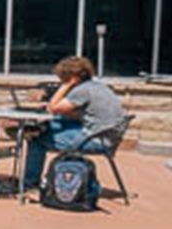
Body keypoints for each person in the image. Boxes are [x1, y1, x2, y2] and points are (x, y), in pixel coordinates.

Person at [21, 55, 125, 193]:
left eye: (62, 78)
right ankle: (37, 131)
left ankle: (30, 184)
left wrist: (66, 86)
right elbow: (75, 113)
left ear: (72, 77)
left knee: (36, 140)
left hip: (96, 140)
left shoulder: (82, 90)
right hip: (106, 135)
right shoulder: (98, 86)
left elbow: (53, 108)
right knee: (57, 122)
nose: (60, 81)